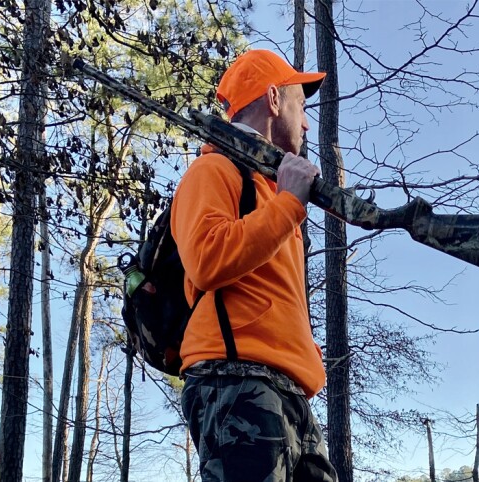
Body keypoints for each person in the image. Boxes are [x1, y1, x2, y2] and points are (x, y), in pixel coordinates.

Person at [171, 49, 338, 481]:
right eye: (301, 106)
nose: (305, 123)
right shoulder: (214, 169)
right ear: (273, 99)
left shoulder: (272, 191)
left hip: (289, 393)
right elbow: (207, 259)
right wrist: (288, 205)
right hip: (236, 382)